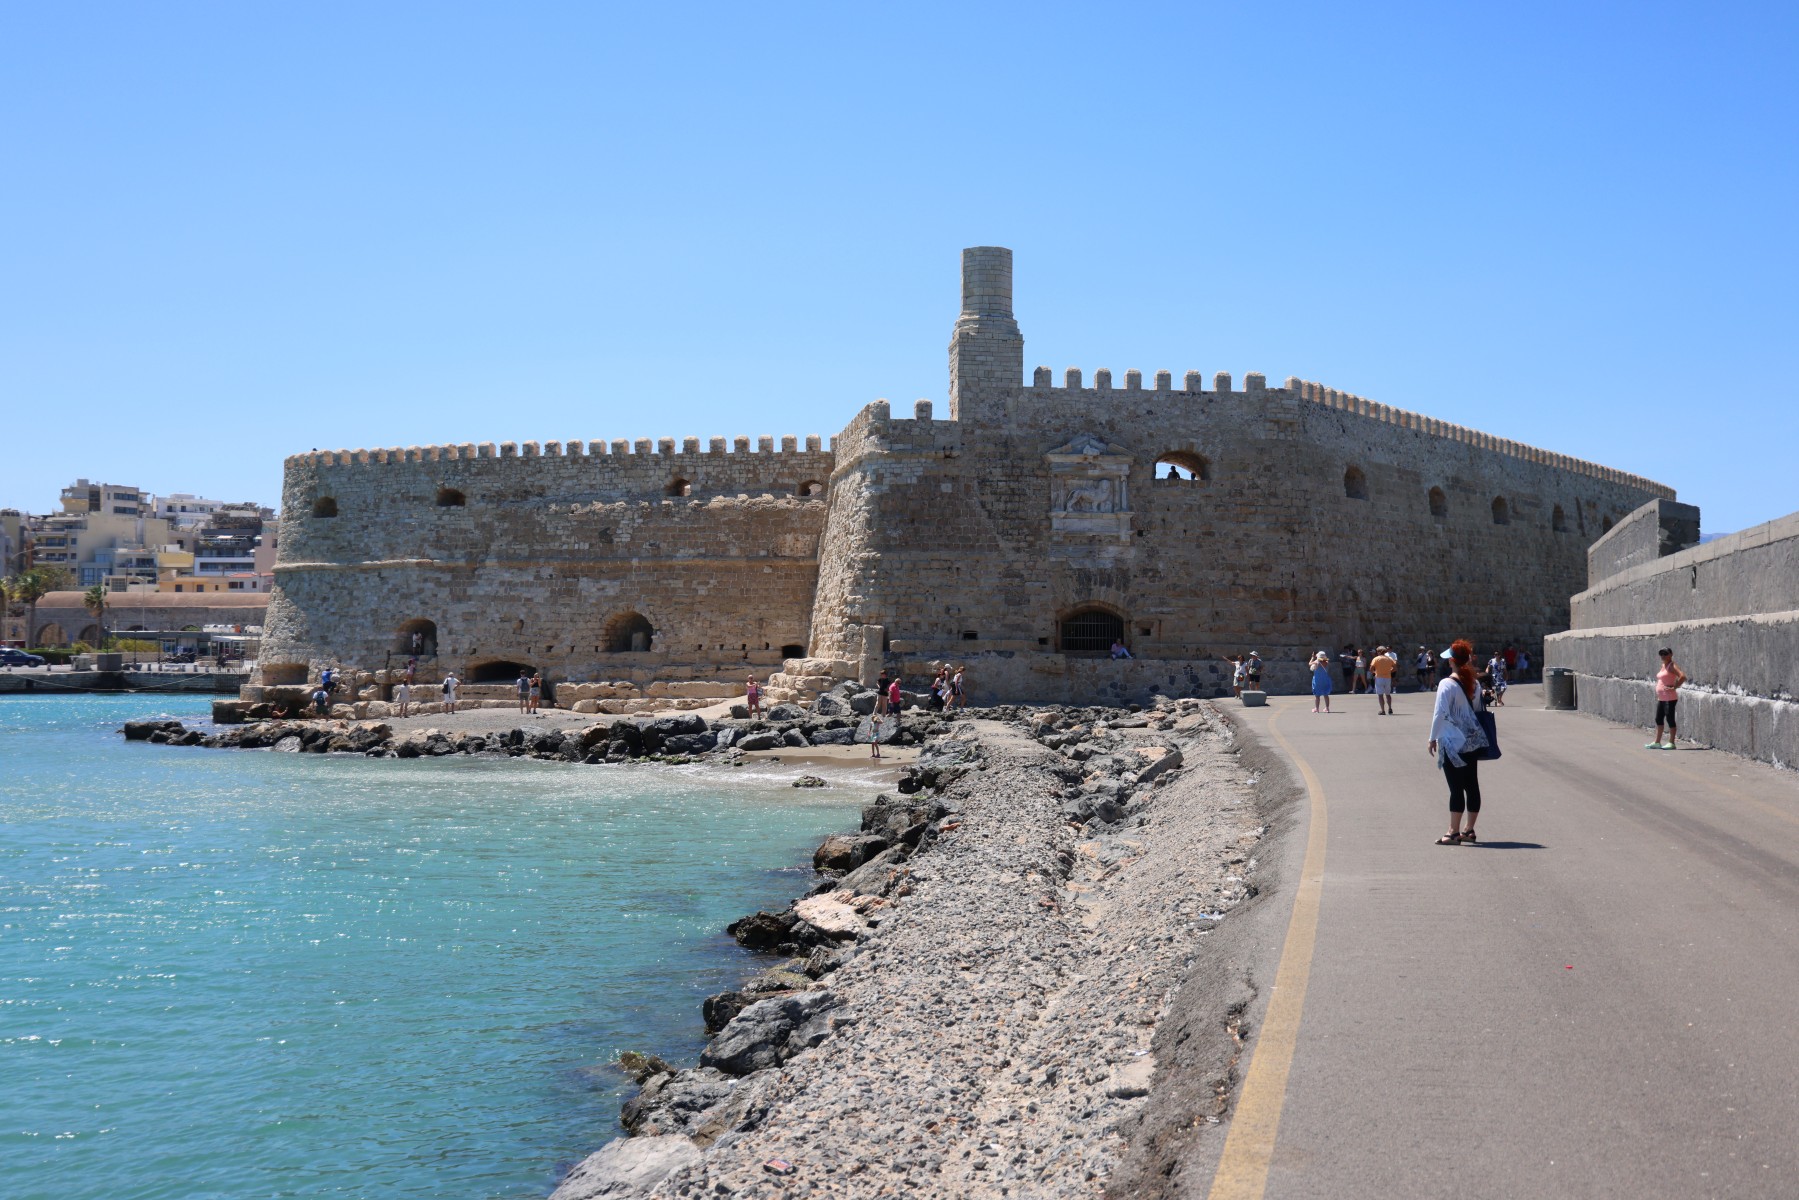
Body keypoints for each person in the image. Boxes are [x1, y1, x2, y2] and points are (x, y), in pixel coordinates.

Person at [1427, 640, 1490, 845]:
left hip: (1453, 742)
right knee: (1471, 784)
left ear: (1452, 661)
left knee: (1455, 787)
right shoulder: (1476, 682)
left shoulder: (1447, 684)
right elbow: (1479, 710)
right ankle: (1469, 830)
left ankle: (1453, 832)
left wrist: (1432, 738)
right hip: (1472, 740)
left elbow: (1440, 713)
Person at [1649, 647, 1687, 749]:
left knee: (1670, 719)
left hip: (1669, 698)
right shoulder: (1663, 666)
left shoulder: (1672, 666)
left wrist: (1675, 686)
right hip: (1661, 698)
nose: (1663, 656)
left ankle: (1671, 742)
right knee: (1658, 719)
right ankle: (1657, 742)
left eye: (1665, 654)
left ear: (1671, 654)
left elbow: (1682, 676)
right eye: (1661, 654)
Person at [1370, 644, 1397, 714]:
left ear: (1378, 652)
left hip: (1379, 677)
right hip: (1387, 678)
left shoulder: (1376, 659)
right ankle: (1390, 708)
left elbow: (1371, 669)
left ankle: (1383, 710)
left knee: (1380, 695)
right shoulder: (1389, 658)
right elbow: (1395, 668)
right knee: (1388, 694)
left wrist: (1375, 672)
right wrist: (1389, 671)